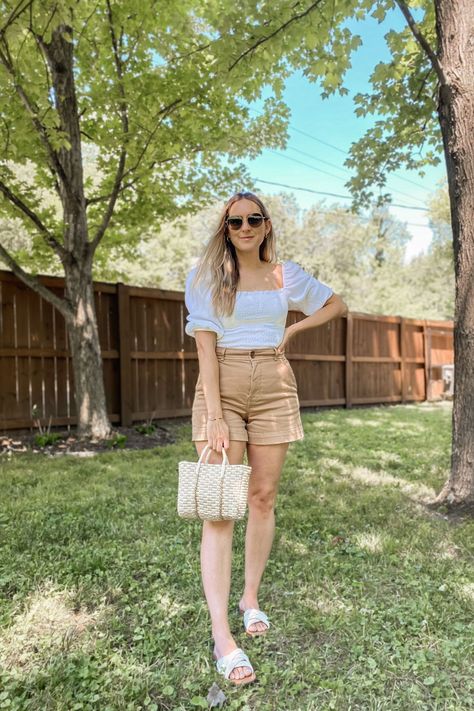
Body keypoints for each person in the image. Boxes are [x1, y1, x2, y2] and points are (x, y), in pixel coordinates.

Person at [184, 191, 347, 686]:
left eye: (254, 219)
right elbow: (206, 351)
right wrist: (214, 413)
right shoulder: (207, 275)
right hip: (224, 386)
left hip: (275, 384)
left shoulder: (285, 274)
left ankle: (249, 597)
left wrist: (294, 331)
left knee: (262, 496)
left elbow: (336, 304)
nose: (245, 227)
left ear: (267, 224)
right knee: (221, 504)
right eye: (236, 221)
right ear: (226, 228)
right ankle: (222, 638)